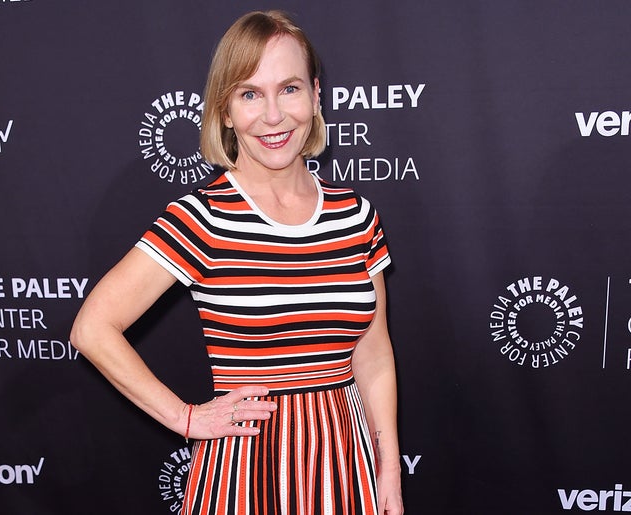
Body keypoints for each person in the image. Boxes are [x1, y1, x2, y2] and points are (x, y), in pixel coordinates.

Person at [71, 10, 404, 515]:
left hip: (347, 466)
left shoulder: (355, 216)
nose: (273, 115)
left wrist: (388, 473)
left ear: (315, 96)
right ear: (225, 111)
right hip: (246, 471)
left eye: (289, 88)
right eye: (249, 94)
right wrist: (186, 419)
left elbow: (373, 353)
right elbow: (92, 328)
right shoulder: (202, 217)